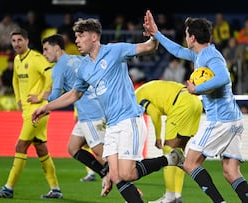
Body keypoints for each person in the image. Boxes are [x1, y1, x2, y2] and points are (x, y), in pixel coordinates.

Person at [32, 17, 183, 203]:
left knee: (127, 174)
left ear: (94, 37)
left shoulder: (115, 50)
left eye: (81, 36)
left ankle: (170, 159)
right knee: (116, 175)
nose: (76, 40)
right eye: (76, 37)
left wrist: (154, 35)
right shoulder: (84, 67)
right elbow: (73, 95)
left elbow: (148, 47)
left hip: (129, 120)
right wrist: (46, 107)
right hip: (111, 126)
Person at [143, 10, 248, 203]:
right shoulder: (202, 54)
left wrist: (197, 89)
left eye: (186, 35)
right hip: (234, 119)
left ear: (192, 37)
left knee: (190, 163)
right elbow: (178, 51)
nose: (185, 38)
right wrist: (156, 33)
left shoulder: (211, 57)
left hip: (220, 120)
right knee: (230, 171)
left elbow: (223, 78)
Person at [0, 28, 63, 199]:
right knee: (41, 149)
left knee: (20, 146)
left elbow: (51, 73)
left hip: (38, 111)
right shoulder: (16, 60)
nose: (16, 44)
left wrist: (43, 95)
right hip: (28, 111)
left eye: (20, 40)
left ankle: (8, 188)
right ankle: (55, 189)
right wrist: (19, 99)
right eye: (14, 41)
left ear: (27, 41)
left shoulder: (36, 59)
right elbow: (15, 80)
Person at [41, 34, 108, 184]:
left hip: (89, 113)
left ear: (56, 47)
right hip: (94, 107)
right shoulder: (77, 59)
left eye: (46, 49)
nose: (44, 54)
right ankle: (106, 174)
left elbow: (55, 96)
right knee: (73, 148)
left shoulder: (58, 68)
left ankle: (125, 182)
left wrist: (42, 97)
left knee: (101, 153)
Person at [135, 80, 203, 203]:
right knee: (179, 154)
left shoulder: (136, 99)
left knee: (169, 154)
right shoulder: (143, 90)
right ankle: (177, 195)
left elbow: (155, 113)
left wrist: (158, 137)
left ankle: (169, 197)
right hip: (195, 102)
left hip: (181, 104)